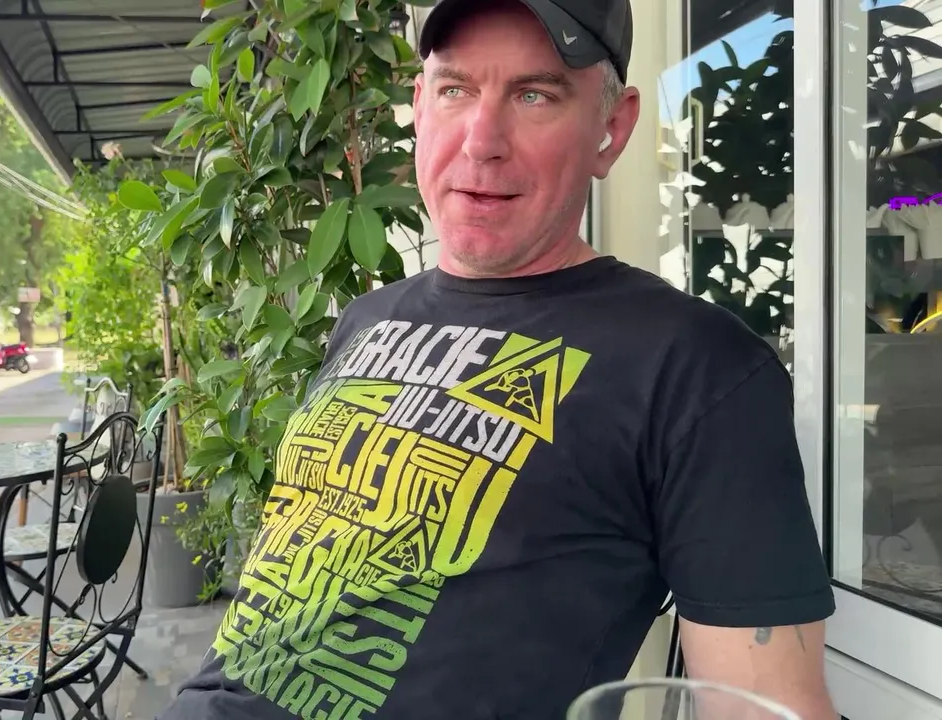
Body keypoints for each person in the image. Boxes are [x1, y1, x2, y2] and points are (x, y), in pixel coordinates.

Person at [159, 0, 837, 717]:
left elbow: (767, 706)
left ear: (612, 128)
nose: (481, 141)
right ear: (421, 106)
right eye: (455, 89)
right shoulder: (365, 318)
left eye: (535, 94)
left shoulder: (699, 370)